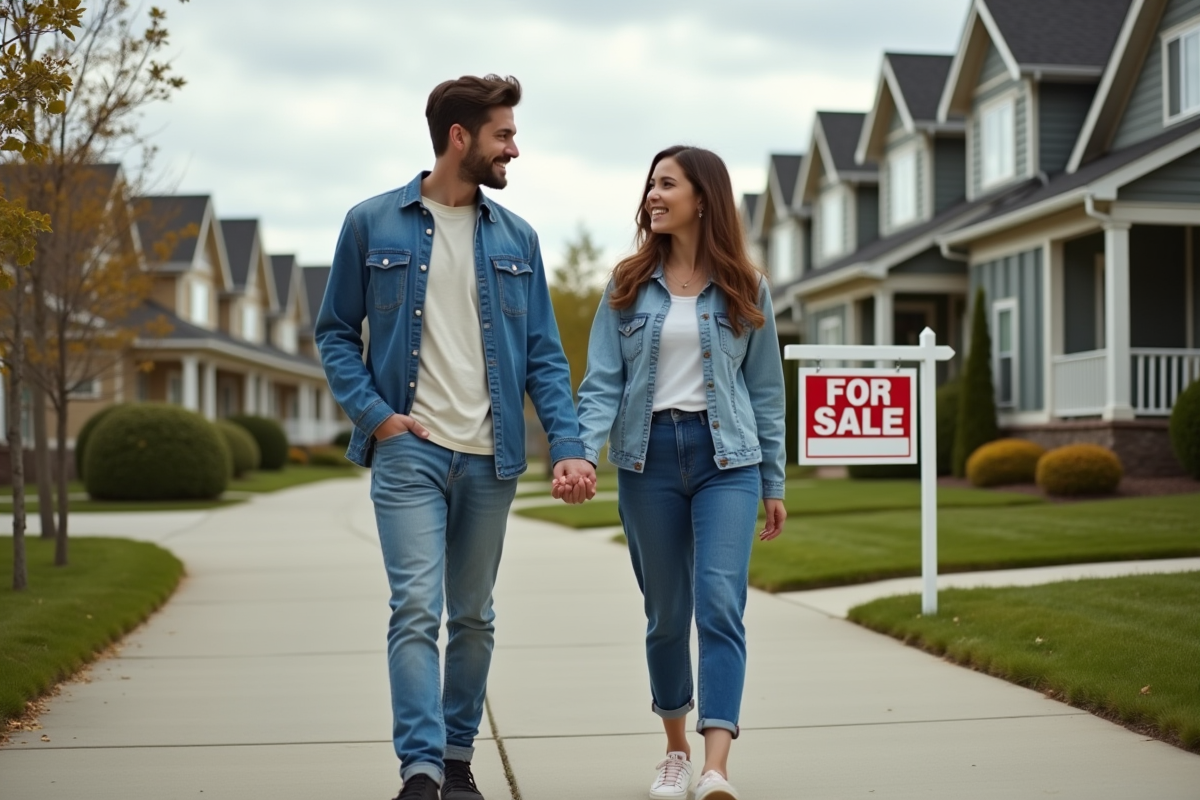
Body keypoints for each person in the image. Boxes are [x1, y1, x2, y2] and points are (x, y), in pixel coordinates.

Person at [316, 74, 597, 800]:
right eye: (504, 134)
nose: (515, 148)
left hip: (491, 455)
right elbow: (335, 333)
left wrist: (567, 445)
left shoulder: (518, 238)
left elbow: (542, 354)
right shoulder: (371, 223)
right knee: (415, 607)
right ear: (460, 138)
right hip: (407, 445)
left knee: (472, 616)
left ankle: (457, 757)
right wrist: (376, 415)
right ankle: (418, 771)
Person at [562, 145, 787, 800]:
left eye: (667, 184)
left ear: (702, 198)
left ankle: (717, 766)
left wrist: (772, 479)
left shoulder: (748, 286)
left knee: (721, 603)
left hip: (728, 461)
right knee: (666, 614)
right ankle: (676, 751)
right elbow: (602, 382)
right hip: (648, 459)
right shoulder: (627, 285)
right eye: (651, 185)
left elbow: (766, 392)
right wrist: (582, 452)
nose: (653, 195)